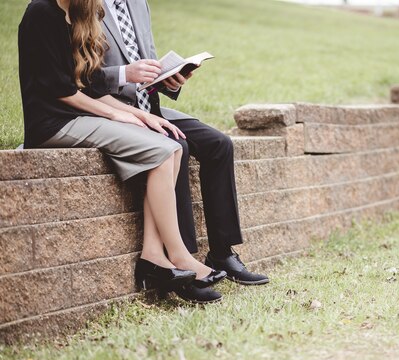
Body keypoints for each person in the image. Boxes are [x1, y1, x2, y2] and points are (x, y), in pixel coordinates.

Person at [18, 0, 226, 303]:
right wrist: (116, 114)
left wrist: (142, 115)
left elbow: (90, 85)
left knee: (171, 148)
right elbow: (59, 89)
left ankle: (154, 256)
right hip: (53, 123)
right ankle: (179, 256)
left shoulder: (81, 14)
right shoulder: (41, 12)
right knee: (163, 151)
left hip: (81, 115)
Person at [98, 0, 270, 301]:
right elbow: (81, 78)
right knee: (177, 146)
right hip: (113, 111)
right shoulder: (84, 6)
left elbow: (148, 71)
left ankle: (221, 253)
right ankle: (184, 263)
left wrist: (170, 79)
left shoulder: (138, 4)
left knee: (219, 144)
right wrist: (125, 73)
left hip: (150, 106)